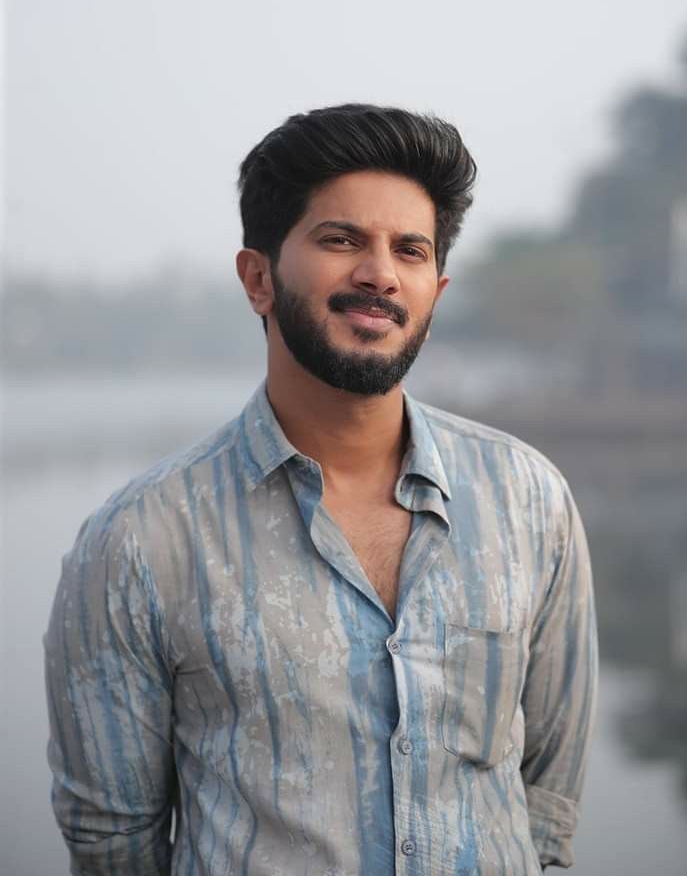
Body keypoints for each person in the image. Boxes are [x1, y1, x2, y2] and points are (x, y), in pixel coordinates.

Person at [45, 104, 597, 875]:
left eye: (408, 250)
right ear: (258, 277)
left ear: (434, 294)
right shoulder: (142, 539)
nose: (379, 273)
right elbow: (113, 842)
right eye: (341, 240)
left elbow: (548, 806)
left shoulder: (529, 501)